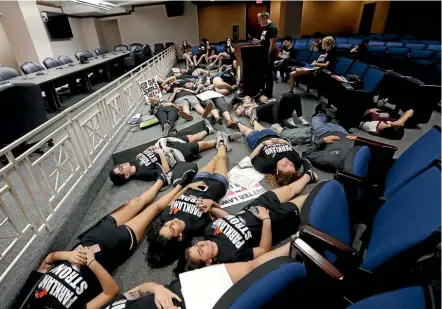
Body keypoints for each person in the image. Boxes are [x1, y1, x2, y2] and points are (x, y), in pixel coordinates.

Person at [18, 163, 196, 309]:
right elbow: (111, 292)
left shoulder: (25, 301)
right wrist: (91, 263)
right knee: (153, 209)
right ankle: (182, 184)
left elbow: (49, 259)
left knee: (137, 202)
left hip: (92, 236)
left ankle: (161, 179)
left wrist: (69, 255)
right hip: (114, 247)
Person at [183, 168, 313, 270]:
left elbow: (229, 218)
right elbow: (263, 250)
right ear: (208, 262)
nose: (201, 244)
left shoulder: (209, 231)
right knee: (306, 200)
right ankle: (328, 187)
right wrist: (266, 219)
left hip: (254, 207)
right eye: (200, 251)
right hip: (274, 221)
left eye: (196, 245)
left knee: (288, 189)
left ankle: (309, 175)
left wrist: (212, 208)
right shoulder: (231, 257)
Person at [146, 132, 242, 268]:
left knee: (213, 159)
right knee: (221, 157)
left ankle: (223, 141)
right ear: (179, 236)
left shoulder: (166, 216)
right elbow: (224, 218)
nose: (171, 223)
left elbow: (174, 200)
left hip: (197, 181)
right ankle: (222, 141)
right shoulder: (197, 227)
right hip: (217, 185)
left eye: (166, 225)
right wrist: (213, 203)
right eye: (172, 229)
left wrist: (187, 187)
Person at [109, 121, 215, 186]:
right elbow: (166, 172)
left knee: (191, 137)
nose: (122, 164)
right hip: (174, 154)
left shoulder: (132, 161)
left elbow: (146, 153)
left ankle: (208, 130)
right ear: (127, 175)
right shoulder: (143, 174)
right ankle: (221, 141)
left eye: (120, 165)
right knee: (203, 145)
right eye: (121, 168)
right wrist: (160, 154)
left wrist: (148, 149)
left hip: (166, 145)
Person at [236, 120, 317, 186]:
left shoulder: (266, 165)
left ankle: (237, 122)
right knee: (257, 125)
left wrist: (263, 144)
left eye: (284, 165)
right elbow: (293, 149)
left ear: (277, 171)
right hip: (272, 135)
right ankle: (253, 120)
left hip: (257, 139)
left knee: (247, 130)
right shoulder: (296, 161)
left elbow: (252, 157)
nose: (287, 161)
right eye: (291, 165)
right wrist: (282, 141)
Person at [302, 105, 360, 172]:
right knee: (332, 123)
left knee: (317, 119)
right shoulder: (361, 155)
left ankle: (321, 113)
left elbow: (307, 154)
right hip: (342, 132)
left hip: (323, 133)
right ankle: (326, 117)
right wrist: (360, 140)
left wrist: (322, 140)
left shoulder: (331, 160)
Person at [257, 12, 278, 98]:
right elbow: (264, 40)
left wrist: (268, 56)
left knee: (269, 74)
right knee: (263, 74)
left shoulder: (272, 28)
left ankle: (269, 93)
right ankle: (263, 90)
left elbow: (272, 44)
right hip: (263, 54)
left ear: (265, 18)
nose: (258, 21)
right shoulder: (264, 28)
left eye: (259, 19)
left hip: (268, 56)